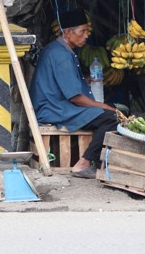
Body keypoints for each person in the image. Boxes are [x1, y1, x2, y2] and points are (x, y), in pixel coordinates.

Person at [30, 10, 119, 179]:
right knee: (111, 117)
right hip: (53, 108)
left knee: (110, 112)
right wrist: (104, 106)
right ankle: (83, 164)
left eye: (87, 31)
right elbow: (75, 97)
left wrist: (86, 81)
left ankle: (96, 161)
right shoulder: (61, 55)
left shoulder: (58, 49)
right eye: (82, 32)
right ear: (68, 32)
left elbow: (63, 82)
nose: (86, 36)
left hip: (53, 104)